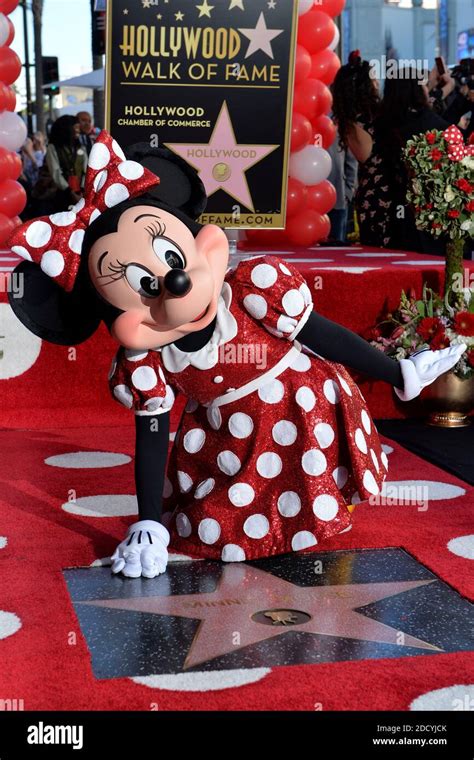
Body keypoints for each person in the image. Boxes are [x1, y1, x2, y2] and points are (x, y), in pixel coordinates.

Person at [6, 130, 465, 577]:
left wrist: (397, 372)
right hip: (228, 432)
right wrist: (148, 520)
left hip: (302, 406)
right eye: (143, 285)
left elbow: (322, 333)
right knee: (217, 517)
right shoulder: (144, 362)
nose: (175, 284)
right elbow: (150, 435)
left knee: (309, 480)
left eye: (171, 257)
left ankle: (309, 516)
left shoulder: (252, 288)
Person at [40, 115, 87, 213]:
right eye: (76, 127)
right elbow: (55, 172)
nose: (79, 130)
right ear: (67, 129)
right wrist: (70, 191)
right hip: (63, 194)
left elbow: (86, 169)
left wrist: (82, 189)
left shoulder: (80, 147)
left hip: (82, 192)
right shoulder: (53, 148)